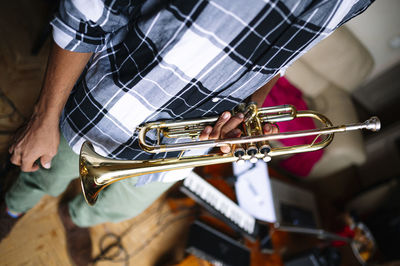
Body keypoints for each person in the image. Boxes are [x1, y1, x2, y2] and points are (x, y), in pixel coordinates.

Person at [0, 0, 374, 265]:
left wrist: (249, 113)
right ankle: (13, 208)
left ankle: (75, 217)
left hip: (182, 148)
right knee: (46, 170)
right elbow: (89, 10)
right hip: (109, 106)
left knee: (121, 205)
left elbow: (277, 62)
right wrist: (45, 116)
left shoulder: (354, 2)